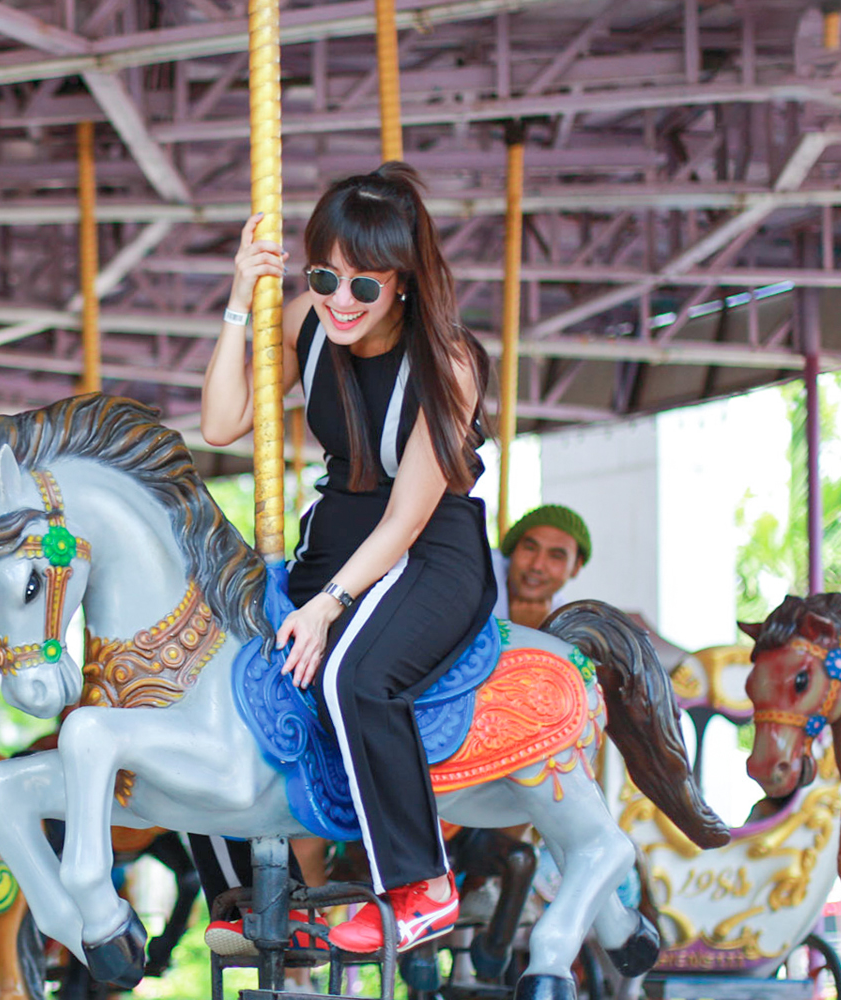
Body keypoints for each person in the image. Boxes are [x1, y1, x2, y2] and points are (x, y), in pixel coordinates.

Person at [200, 161, 495, 954]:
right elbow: (223, 422)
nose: (340, 299)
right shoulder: (308, 320)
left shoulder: (450, 363)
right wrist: (239, 297)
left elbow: (407, 515)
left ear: (402, 282)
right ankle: (250, 888)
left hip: (431, 548)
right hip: (335, 535)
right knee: (211, 664)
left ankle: (420, 884)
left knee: (349, 674)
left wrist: (328, 605)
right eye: (326, 274)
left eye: (364, 285)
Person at [494, 504, 591, 629]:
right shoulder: (476, 576)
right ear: (512, 550)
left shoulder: (566, 622)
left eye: (556, 556)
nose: (537, 566)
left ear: (576, 567)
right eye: (529, 548)